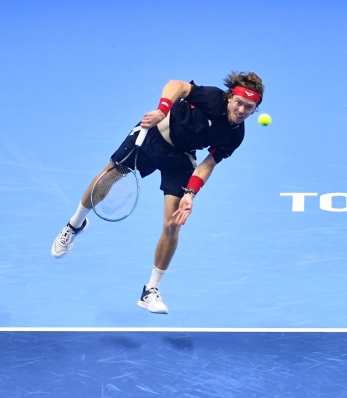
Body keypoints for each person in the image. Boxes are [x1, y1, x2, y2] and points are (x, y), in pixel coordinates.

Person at [51, 72, 265, 314]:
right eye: (239, 102)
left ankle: (150, 290)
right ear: (230, 98)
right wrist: (163, 110)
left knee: (173, 224)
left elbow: (208, 164)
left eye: (249, 107)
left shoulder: (235, 135)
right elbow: (177, 85)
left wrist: (190, 194)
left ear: (255, 109)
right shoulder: (213, 97)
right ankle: (74, 225)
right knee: (106, 178)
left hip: (180, 158)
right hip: (154, 135)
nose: (242, 110)